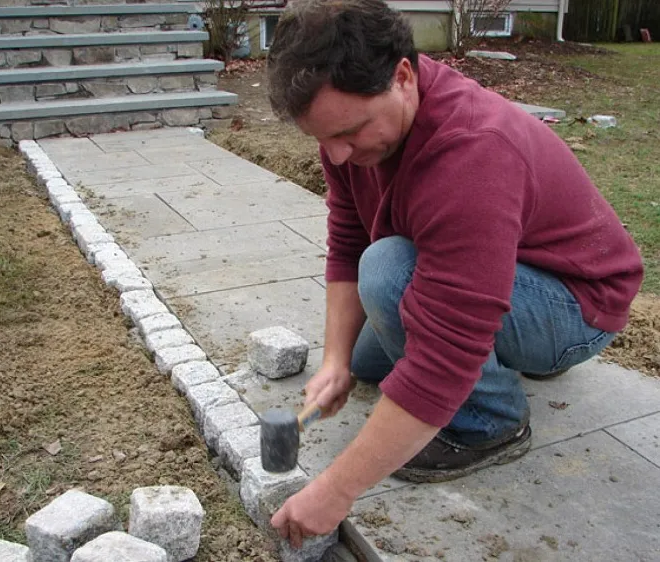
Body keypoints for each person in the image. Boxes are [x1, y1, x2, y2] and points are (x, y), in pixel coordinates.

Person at [264, 0, 644, 550]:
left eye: (350, 132)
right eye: (324, 139)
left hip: (575, 306)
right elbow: (346, 241)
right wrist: (335, 362)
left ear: (402, 76)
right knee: (370, 358)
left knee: (389, 273)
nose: (339, 156)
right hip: (506, 277)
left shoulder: (472, 152)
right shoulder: (347, 135)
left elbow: (445, 358)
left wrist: (335, 490)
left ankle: (493, 424)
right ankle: (498, 359)